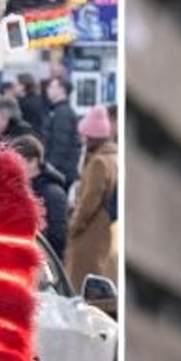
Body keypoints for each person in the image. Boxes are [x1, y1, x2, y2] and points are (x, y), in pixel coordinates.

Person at [64, 104, 117, 289]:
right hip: (104, 233)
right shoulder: (114, 158)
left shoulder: (98, 163)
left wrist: (73, 226)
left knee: (82, 287)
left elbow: (89, 201)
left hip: (90, 237)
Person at [6, 133, 70, 265]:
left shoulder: (53, 194)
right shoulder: (17, 189)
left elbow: (58, 237)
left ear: (33, 161)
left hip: (43, 267)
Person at [39, 76, 82, 185]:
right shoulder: (57, 110)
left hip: (60, 172)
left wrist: (50, 168)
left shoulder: (62, 113)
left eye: (52, 87)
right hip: (62, 170)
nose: (48, 90)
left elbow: (60, 144)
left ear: (62, 90)